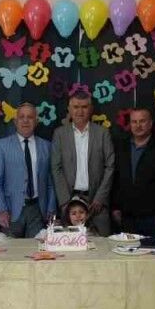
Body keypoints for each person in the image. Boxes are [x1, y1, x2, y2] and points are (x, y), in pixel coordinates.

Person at [50, 91, 116, 235]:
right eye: (76, 107)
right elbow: (56, 168)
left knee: (102, 245)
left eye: (84, 107)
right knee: (71, 245)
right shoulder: (60, 134)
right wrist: (65, 201)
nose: (80, 111)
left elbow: (110, 166)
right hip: (70, 204)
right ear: (69, 109)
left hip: (96, 203)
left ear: (91, 109)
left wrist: (100, 197)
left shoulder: (102, 133)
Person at [0, 103, 55, 237]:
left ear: (36, 121)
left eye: (30, 117)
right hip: (10, 210)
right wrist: (0, 210)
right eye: (21, 117)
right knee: (10, 249)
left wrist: (51, 208)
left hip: (38, 210)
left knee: (35, 248)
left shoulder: (47, 146)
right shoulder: (1, 146)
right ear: (15, 121)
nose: (25, 120)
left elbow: (51, 182)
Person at [110, 108, 155, 237]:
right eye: (134, 122)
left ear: (150, 123)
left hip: (154, 216)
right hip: (127, 215)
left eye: (142, 121)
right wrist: (115, 207)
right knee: (128, 249)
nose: (138, 125)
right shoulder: (121, 146)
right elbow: (116, 179)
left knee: (153, 249)